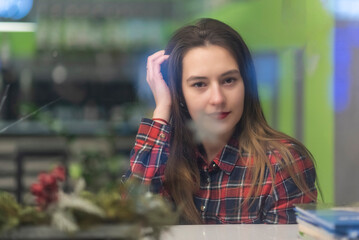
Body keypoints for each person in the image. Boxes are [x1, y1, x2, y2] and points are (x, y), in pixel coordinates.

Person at [126, 18, 317, 224]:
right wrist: (162, 109)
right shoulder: (164, 158)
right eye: (200, 84)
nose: (217, 99)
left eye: (228, 80)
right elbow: (132, 222)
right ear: (179, 94)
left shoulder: (281, 164)